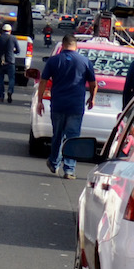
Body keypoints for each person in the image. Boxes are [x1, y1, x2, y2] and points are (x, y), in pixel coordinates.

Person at [36, 34, 97, 179]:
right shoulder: (85, 61)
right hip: (75, 105)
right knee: (73, 136)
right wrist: (92, 98)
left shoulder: (53, 61)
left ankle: (54, 162)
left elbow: (43, 81)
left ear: (62, 45)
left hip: (58, 103)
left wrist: (40, 101)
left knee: (57, 134)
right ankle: (69, 169)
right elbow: (93, 84)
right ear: (76, 46)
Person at [0, 23, 17, 103]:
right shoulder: (13, 38)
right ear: (10, 31)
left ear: (2, 30)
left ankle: (1, 96)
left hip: (0, 62)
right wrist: (13, 52)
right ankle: (10, 90)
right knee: (11, 78)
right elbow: (18, 50)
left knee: (1, 80)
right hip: (10, 61)